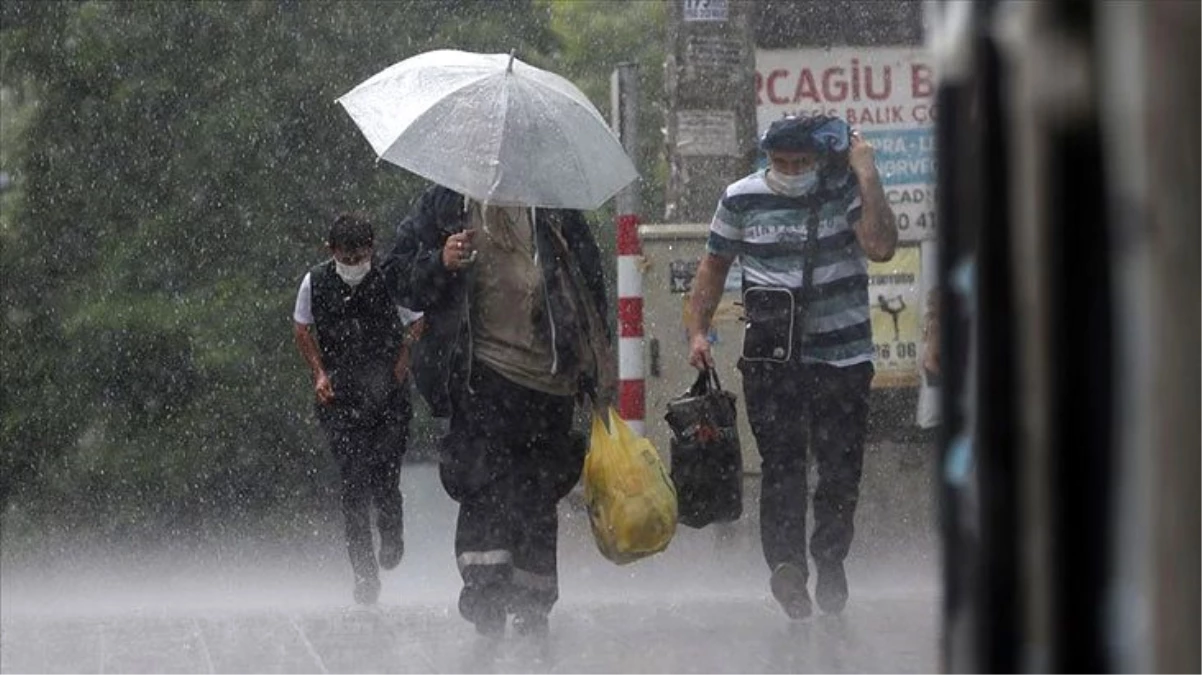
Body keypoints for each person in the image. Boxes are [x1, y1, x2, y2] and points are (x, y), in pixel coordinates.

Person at [686, 115, 898, 619]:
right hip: (771, 361)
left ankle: (829, 556)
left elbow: (881, 246)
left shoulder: (843, 190)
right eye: (780, 162)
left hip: (843, 357)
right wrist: (697, 330)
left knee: (839, 468)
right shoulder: (741, 197)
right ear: (767, 157)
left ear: (820, 159)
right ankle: (787, 566)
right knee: (782, 464)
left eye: (800, 163)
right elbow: (712, 267)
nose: (790, 171)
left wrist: (867, 174)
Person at [383, 184, 614, 638]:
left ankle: (533, 602)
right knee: (483, 485)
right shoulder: (445, 204)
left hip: (549, 379)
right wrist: (440, 262)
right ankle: (485, 595)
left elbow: (589, 287)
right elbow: (398, 278)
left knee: (536, 492)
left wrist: (594, 370)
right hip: (478, 373)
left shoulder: (554, 205)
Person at [293, 213, 422, 605]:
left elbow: (418, 321)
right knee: (352, 484)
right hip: (340, 397)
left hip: (387, 394)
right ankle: (365, 575)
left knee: (385, 473)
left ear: (371, 249)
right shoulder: (314, 282)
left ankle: (392, 528)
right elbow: (302, 327)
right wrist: (318, 373)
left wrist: (404, 356)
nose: (353, 265)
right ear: (330, 251)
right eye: (345, 258)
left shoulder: (389, 279)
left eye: (360, 256)